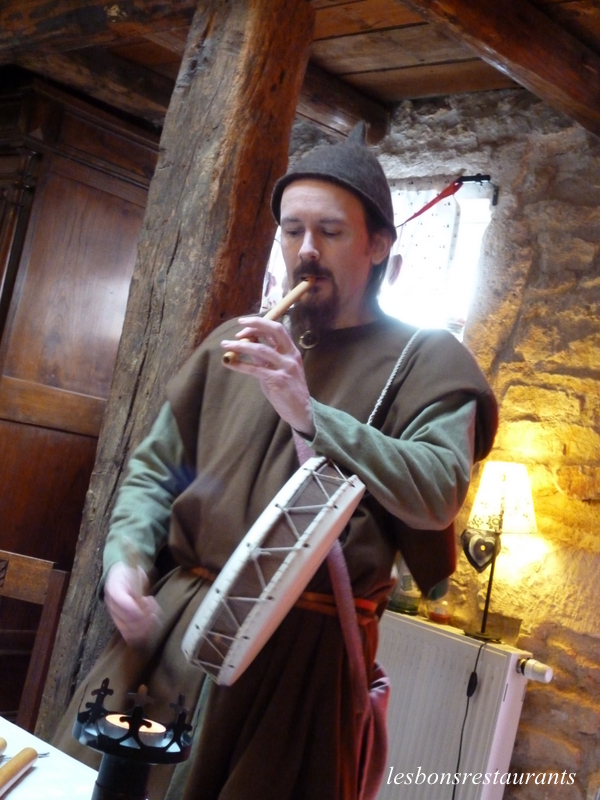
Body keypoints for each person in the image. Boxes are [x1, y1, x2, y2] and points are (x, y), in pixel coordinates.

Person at [54, 123, 498, 800]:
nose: (306, 250)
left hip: (303, 671)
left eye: (330, 231)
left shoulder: (428, 360)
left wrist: (308, 412)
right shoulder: (232, 345)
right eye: (292, 231)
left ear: (379, 245)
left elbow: (437, 492)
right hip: (174, 643)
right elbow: (154, 473)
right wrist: (127, 561)